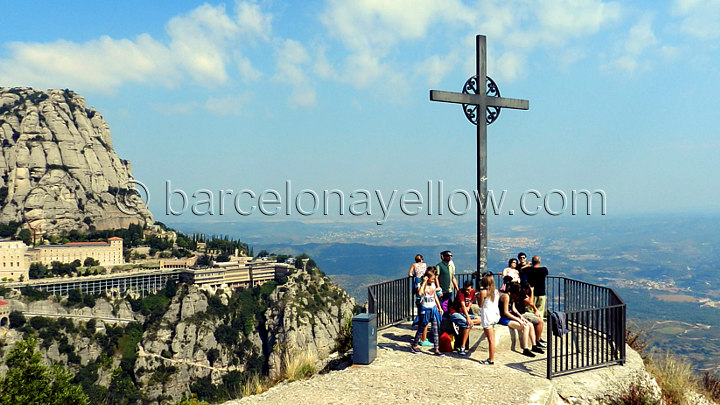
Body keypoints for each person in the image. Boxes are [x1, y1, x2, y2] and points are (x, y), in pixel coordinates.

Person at [498, 283, 542, 357]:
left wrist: (520, 316)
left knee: (530, 325)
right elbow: (506, 312)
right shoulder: (506, 296)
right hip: (503, 318)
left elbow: (513, 309)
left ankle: (534, 346)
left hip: (510, 317)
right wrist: (518, 320)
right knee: (525, 326)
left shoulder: (512, 297)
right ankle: (525, 349)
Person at [411, 266, 444, 356]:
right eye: (432, 279)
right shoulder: (421, 284)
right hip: (425, 309)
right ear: (427, 278)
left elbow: (434, 296)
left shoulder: (432, 285)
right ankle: (414, 345)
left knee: (435, 328)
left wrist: (439, 307)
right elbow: (420, 293)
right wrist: (424, 282)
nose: (433, 281)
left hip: (432, 308)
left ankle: (436, 349)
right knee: (422, 327)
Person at [448, 279, 482, 356]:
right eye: (466, 290)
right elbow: (463, 305)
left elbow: (470, 302)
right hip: (455, 312)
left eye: (468, 290)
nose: (467, 291)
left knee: (480, 319)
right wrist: (468, 318)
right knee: (467, 324)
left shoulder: (473, 292)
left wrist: (468, 308)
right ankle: (462, 346)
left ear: (472, 288)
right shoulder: (460, 292)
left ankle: (469, 323)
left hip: (463, 313)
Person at [409, 254, 432, 346]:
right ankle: (423, 338)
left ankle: (421, 337)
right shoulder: (425, 265)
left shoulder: (414, 265)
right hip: (424, 281)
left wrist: (415, 275)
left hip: (418, 281)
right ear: (422, 259)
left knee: (418, 295)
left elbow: (410, 274)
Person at [478, 272, 500, 364]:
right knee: (492, 339)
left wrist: (478, 296)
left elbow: (480, 305)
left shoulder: (483, 292)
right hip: (495, 315)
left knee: (491, 340)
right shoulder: (496, 292)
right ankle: (491, 357)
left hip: (487, 316)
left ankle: (491, 359)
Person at [518, 281, 547, 348]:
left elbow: (532, 304)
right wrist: (532, 291)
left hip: (522, 312)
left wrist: (536, 310)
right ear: (525, 289)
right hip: (521, 313)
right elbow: (531, 302)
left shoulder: (522, 293)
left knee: (537, 319)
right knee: (540, 322)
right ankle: (538, 340)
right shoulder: (521, 294)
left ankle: (537, 339)